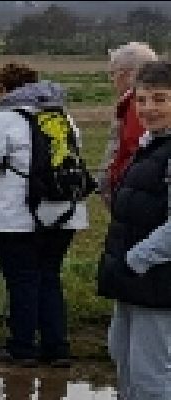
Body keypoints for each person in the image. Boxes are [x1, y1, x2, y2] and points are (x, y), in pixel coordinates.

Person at [0, 64, 89, 368]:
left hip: (17, 216)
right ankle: (56, 346)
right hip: (64, 212)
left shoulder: (3, 119)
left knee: (21, 280)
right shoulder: (62, 116)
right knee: (49, 277)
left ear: (4, 90)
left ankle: (22, 346)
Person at [98, 60, 171, 400]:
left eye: (160, 98)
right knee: (123, 359)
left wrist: (134, 260)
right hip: (134, 281)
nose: (149, 108)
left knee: (151, 378)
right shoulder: (150, 145)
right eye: (142, 100)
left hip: (157, 283)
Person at [105, 42, 159, 202]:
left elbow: (136, 151)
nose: (112, 80)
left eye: (113, 73)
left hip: (136, 195)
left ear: (127, 75)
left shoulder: (140, 106)